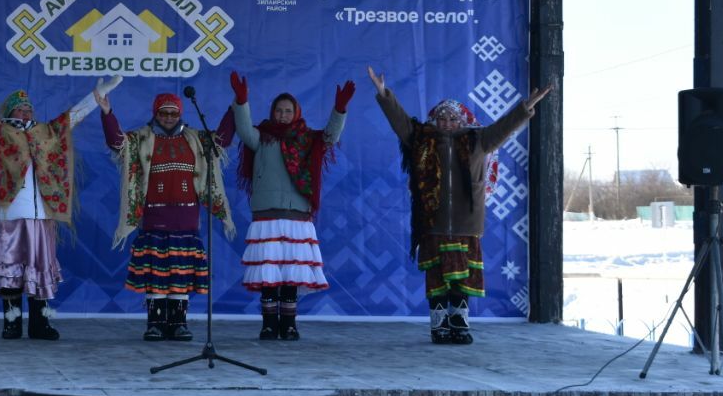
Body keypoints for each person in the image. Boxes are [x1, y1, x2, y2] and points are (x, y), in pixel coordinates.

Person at [368, 66, 552, 344]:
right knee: (437, 278)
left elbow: (504, 126)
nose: (447, 122)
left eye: (453, 118)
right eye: (442, 118)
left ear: (462, 120)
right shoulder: (421, 139)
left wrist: (526, 107)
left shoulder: (478, 140)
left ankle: (459, 325)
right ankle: (439, 327)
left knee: (462, 279)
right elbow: (401, 121)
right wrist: (384, 93)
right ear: (434, 119)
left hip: (467, 225)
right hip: (433, 223)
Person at [0, 52, 120, 341]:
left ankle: (40, 324)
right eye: (20, 109)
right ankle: (11, 323)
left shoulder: (47, 132)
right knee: (10, 270)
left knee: (40, 270)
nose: (26, 113)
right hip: (10, 215)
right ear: (10, 112)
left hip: (42, 215)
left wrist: (97, 96)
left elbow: (73, 117)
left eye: (29, 109)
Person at [96, 88, 236, 342]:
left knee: (181, 273)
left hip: (186, 219)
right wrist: (107, 113)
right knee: (156, 274)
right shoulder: (142, 138)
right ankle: (156, 324)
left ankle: (178, 323)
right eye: (164, 113)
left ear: (180, 114)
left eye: (174, 113)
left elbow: (222, 141)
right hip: (155, 218)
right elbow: (117, 143)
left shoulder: (196, 139)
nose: (169, 117)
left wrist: (236, 106)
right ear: (155, 114)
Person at [230, 71, 355, 340]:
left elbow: (330, 137)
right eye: (279, 110)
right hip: (267, 216)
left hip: (297, 216)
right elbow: (243, 128)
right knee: (268, 273)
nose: (283, 115)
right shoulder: (262, 137)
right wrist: (241, 101)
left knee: (291, 273)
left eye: (288, 111)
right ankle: (268, 324)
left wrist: (339, 109)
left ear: (296, 112)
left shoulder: (307, 139)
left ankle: (289, 325)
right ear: (272, 112)